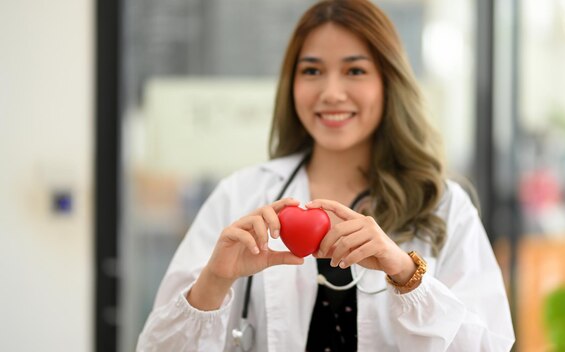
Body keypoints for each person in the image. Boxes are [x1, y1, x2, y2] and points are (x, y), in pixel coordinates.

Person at [137, 0, 515, 351]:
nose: (332, 93)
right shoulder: (242, 195)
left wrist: (405, 274)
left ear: (388, 82)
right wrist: (215, 281)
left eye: (355, 70)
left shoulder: (443, 205)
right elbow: (158, 347)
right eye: (312, 71)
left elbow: (488, 344)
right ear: (292, 85)